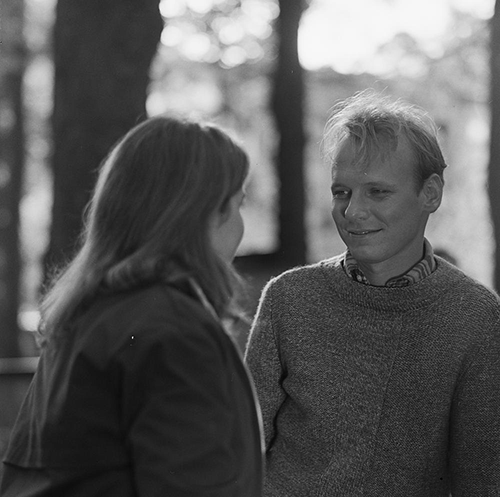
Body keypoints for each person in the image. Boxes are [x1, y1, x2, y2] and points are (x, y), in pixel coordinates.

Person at [245, 90, 500, 496]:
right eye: (341, 192)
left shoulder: (475, 317)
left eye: (378, 191)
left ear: (430, 193)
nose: (352, 212)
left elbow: (482, 479)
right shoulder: (288, 299)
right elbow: (241, 451)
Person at [1, 115, 264, 496]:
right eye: (238, 204)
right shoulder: (175, 332)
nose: (240, 226)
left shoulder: (83, 317)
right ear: (204, 213)